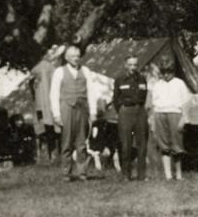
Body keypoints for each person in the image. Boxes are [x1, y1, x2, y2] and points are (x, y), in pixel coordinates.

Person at [49, 46, 101, 181]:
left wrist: (93, 111)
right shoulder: (59, 72)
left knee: (82, 141)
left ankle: (82, 172)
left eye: (78, 56)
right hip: (66, 107)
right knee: (66, 142)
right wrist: (56, 114)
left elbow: (91, 92)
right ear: (66, 58)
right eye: (72, 56)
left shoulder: (86, 71)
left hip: (82, 108)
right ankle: (66, 173)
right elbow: (53, 94)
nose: (76, 59)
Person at [147, 62, 192, 181]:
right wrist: (152, 120)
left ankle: (178, 174)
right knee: (163, 145)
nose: (166, 75)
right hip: (160, 114)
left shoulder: (179, 83)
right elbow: (152, 104)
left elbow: (186, 102)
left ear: (173, 72)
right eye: (164, 72)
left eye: (169, 72)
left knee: (176, 145)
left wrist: (184, 118)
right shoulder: (157, 85)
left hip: (175, 114)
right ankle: (168, 175)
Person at [112, 54, 151, 180]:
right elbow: (115, 99)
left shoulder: (142, 79)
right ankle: (126, 175)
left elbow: (144, 96)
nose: (133, 67)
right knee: (126, 144)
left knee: (142, 144)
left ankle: (141, 175)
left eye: (135, 64)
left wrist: (140, 109)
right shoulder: (119, 79)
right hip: (125, 112)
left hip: (140, 111)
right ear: (125, 65)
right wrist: (122, 110)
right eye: (130, 64)